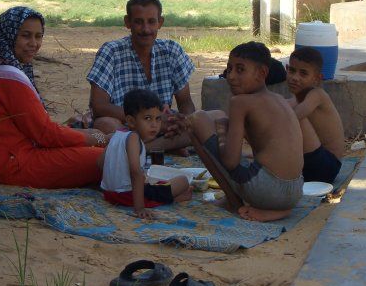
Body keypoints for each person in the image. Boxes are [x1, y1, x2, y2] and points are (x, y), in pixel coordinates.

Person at [0, 6, 107, 189]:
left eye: (38, 36)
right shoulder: (6, 77)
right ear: (9, 35)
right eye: (26, 36)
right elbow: (45, 135)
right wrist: (96, 138)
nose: (34, 43)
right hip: (6, 164)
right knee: (105, 158)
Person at [183, 41, 304, 222]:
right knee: (218, 116)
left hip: (268, 190)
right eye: (229, 69)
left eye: (240, 70)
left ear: (262, 73)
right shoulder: (277, 99)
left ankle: (233, 202)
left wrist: (222, 133)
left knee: (196, 120)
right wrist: (223, 124)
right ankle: (280, 210)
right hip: (295, 190)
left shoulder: (240, 102)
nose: (231, 76)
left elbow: (230, 162)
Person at [87, 0, 196, 151]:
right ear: (127, 22)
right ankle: (156, 147)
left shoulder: (172, 50)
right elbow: (99, 106)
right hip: (126, 126)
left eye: (151, 22)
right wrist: (148, 121)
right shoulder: (111, 51)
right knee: (105, 124)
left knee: (210, 118)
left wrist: (183, 122)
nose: (146, 29)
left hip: (161, 126)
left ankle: (141, 149)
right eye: (138, 22)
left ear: (160, 22)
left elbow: (185, 102)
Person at [98, 89, 192, 219]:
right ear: (131, 121)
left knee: (156, 183)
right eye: (147, 118)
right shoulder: (133, 138)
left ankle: (173, 196)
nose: (154, 125)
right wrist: (139, 207)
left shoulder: (116, 135)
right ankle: (172, 197)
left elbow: (100, 162)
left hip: (109, 194)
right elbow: (136, 173)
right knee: (183, 181)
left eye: (158, 119)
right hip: (127, 195)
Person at [286, 47, 345, 183]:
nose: (295, 78)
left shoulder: (317, 95)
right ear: (286, 69)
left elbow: (292, 118)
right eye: (292, 71)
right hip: (311, 163)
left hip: (326, 167)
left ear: (317, 79)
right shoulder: (298, 98)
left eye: (303, 73)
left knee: (294, 119)